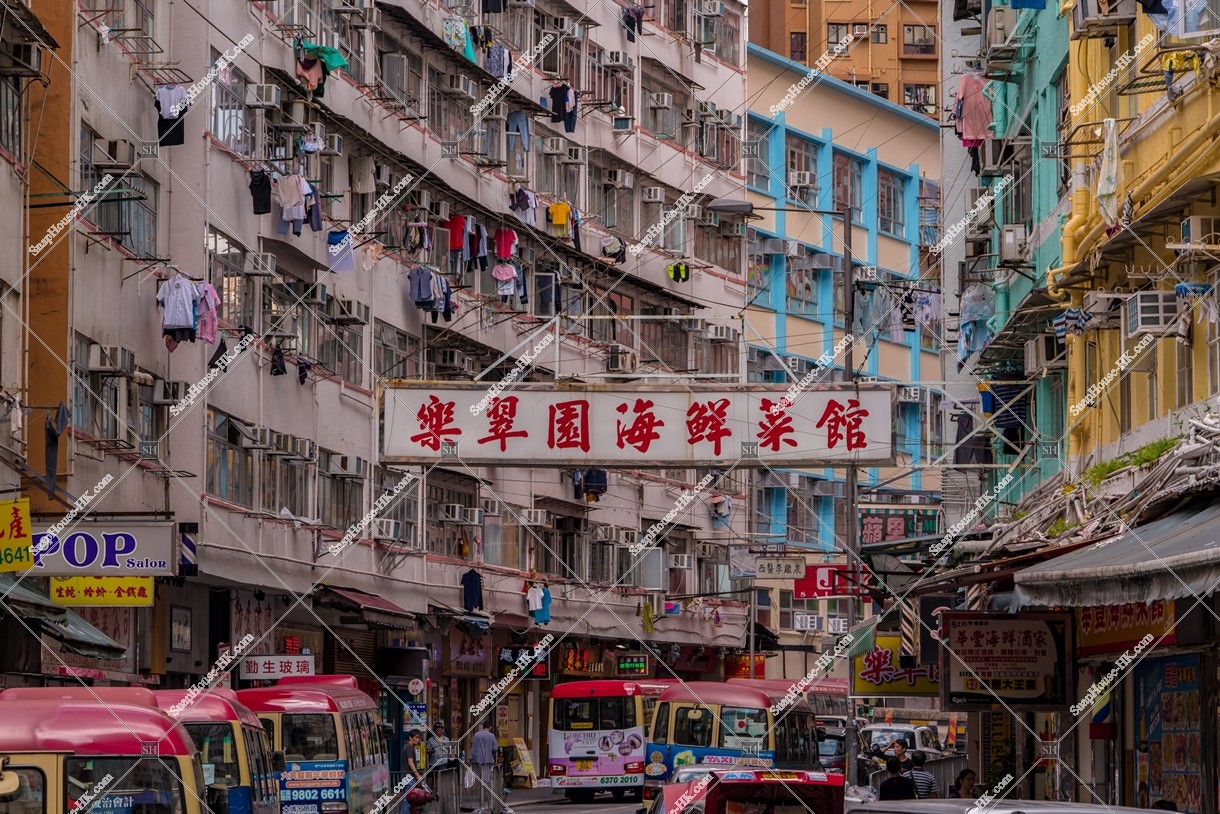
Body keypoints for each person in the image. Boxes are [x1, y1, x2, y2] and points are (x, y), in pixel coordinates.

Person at [470, 720, 500, 814]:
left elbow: (473, 748)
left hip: (477, 761)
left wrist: (471, 758)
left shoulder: (476, 735)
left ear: (483, 726)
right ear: (490, 727)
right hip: (487, 761)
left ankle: (480, 802)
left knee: (479, 781)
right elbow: (495, 748)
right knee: (487, 781)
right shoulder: (491, 736)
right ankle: (488, 801)